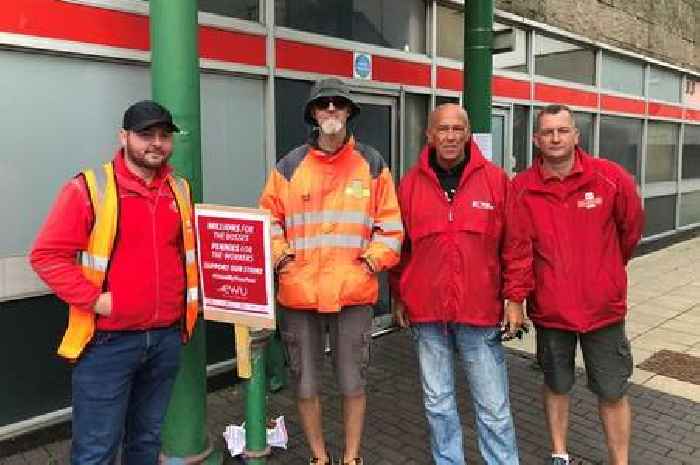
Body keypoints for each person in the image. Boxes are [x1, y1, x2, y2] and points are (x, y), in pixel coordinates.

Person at [30, 100, 199, 465]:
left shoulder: (179, 190)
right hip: (108, 343)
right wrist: (96, 300)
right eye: (145, 135)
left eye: (164, 135)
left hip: (165, 339)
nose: (156, 143)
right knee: (96, 451)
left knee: (146, 442)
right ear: (123, 137)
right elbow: (46, 256)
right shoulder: (89, 188)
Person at [259, 78, 403, 465]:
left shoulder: (372, 164)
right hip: (300, 293)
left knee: (353, 381)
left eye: (340, 104)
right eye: (324, 104)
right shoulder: (289, 166)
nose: (332, 110)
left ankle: (352, 457)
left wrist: (370, 263)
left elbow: (390, 227)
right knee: (305, 383)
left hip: (352, 293)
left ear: (350, 112)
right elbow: (268, 220)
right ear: (312, 113)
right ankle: (319, 458)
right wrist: (283, 261)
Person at [390, 103, 532, 465]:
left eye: (457, 129)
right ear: (429, 135)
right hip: (427, 313)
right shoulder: (409, 185)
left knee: (494, 408)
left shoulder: (496, 180)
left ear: (468, 134)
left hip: (479, 311)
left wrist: (515, 299)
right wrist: (399, 296)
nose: (450, 136)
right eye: (443, 129)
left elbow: (516, 245)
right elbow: (399, 248)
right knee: (438, 404)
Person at [512, 105, 644, 465]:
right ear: (536, 140)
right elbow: (518, 250)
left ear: (576, 136)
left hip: (603, 310)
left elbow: (630, 231)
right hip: (552, 311)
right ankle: (559, 453)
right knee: (556, 385)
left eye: (562, 130)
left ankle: (620, 460)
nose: (555, 138)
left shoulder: (610, 178)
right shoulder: (521, 188)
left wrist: (607, 272)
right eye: (548, 132)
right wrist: (518, 299)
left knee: (612, 390)